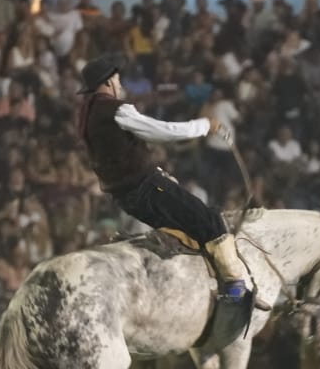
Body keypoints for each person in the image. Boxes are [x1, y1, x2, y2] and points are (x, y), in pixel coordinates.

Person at [74, 56, 247, 302]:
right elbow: (161, 131)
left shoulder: (87, 113)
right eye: (117, 79)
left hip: (124, 196)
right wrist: (204, 125)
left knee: (182, 231)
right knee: (211, 221)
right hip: (145, 187)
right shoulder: (118, 110)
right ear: (108, 82)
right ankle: (234, 288)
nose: (120, 83)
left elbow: (119, 155)